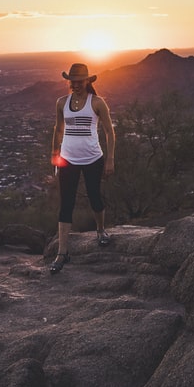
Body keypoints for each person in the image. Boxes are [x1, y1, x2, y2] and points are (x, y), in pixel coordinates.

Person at [49, 63, 115, 273]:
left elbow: (109, 132)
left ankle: (101, 230)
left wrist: (110, 159)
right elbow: (58, 129)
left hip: (93, 158)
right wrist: (54, 153)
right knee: (66, 203)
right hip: (68, 159)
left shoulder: (97, 103)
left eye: (79, 81)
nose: (75, 85)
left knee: (95, 196)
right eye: (72, 82)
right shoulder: (61, 102)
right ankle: (62, 252)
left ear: (87, 81)